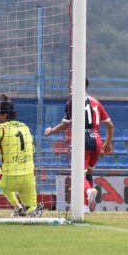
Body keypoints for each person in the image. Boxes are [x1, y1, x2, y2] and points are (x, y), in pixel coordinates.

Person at [45, 78, 114, 213]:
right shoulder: (96, 102)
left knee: (78, 175)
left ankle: (88, 191)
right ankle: (86, 206)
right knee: (88, 172)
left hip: (81, 141)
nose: (70, 85)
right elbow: (110, 125)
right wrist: (108, 143)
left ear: (77, 85)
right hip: (97, 141)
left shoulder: (72, 102)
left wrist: (51, 130)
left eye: (72, 83)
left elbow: (64, 125)